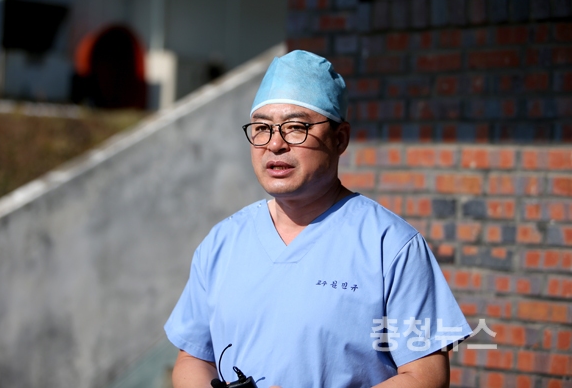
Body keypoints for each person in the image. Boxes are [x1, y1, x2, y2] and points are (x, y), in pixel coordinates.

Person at [164, 50, 471, 388]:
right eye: (262, 128)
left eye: (296, 128)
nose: (275, 144)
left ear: (340, 139)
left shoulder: (391, 246)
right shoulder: (223, 242)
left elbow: (426, 376)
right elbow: (194, 357)